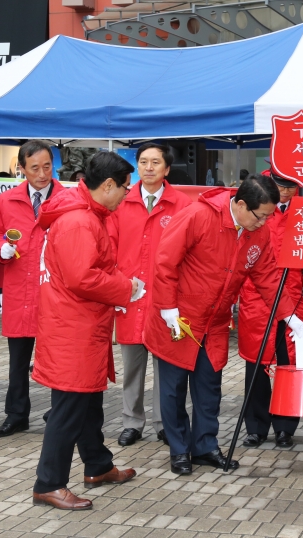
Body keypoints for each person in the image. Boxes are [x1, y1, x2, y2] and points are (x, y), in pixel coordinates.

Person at [145, 175, 303, 476]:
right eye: (261, 216)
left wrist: (288, 314)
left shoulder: (258, 231)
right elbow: (164, 262)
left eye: (269, 216)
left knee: (209, 388)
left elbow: (267, 276)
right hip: (180, 317)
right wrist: (167, 307)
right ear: (241, 204)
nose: (264, 223)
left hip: (215, 322)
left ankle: (205, 446)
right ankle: (179, 450)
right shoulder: (198, 215)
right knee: (173, 389)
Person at [31, 151, 138, 511]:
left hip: (77, 323)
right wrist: (126, 288)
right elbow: (83, 277)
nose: (127, 193)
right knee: (69, 408)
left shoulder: (84, 213)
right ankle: (49, 483)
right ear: (107, 185)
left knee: (88, 400)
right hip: (73, 326)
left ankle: (98, 465)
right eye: (124, 187)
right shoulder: (80, 221)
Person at [237, 171, 303, 449]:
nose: (287, 193)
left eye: (293, 187)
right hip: (258, 294)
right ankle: (255, 426)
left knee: (289, 360)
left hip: (298, 293)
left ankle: (285, 426)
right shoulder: (258, 200)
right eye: (282, 187)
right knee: (256, 362)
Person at [106, 143, 191, 447]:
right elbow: (109, 248)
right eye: (143, 162)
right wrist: (118, 284)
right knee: (132, 365)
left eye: (156, 162)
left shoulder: (181, 204)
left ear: (167, 169)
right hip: (129, 296)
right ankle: (132, 421)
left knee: (166, 366)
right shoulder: (121, 202)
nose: (149, 167)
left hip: (167, 298)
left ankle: (164, 422)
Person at [0, 140, 66, 437]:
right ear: (21, 169)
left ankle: (60, 411)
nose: (42, 174)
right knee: (18, 358)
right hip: (19, 287)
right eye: (34, 168)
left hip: (55, 289)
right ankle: (16, 414)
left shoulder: (67, 199)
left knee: (58, 356)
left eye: (47, 167)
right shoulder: (6, 201)